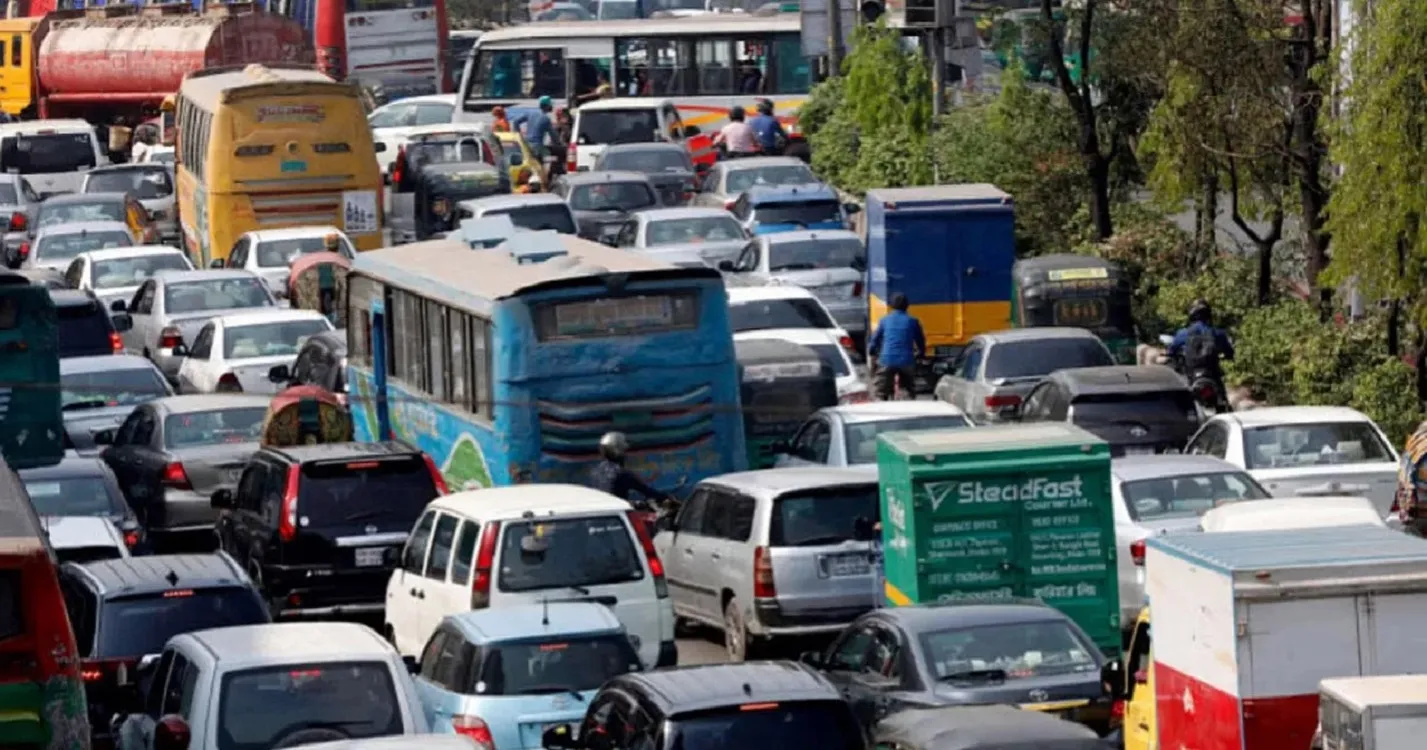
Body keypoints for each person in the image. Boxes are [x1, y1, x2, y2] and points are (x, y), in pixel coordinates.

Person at [868, 293, 926, 401]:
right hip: (907, 361)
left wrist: (872, 351)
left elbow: (875, 339)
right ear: (907, 306)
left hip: (887, 360)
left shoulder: (884, 320)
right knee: (909, 389)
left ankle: (882, 405)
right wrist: (922, 353)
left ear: (892, 305)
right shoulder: (913, 321)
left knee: (879, 392)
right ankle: (909, 401)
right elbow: (920, 341)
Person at [588, 432, 667, 509]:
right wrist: (667, 497)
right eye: (624, 450)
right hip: (618, 513)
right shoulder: (621, 473)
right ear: (617, 451)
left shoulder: (595, 472)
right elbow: (648, 492)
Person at [1167, 299, 1235, 388]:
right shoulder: (1218, 333)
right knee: (1221, 395)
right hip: (1212, 374)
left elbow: (1171, 351)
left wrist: (1171, 355)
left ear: (1191, 316)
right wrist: (1228, 356)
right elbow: (1229, 352)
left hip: (1191, 374)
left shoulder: (1182, 333)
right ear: (1209, 315)